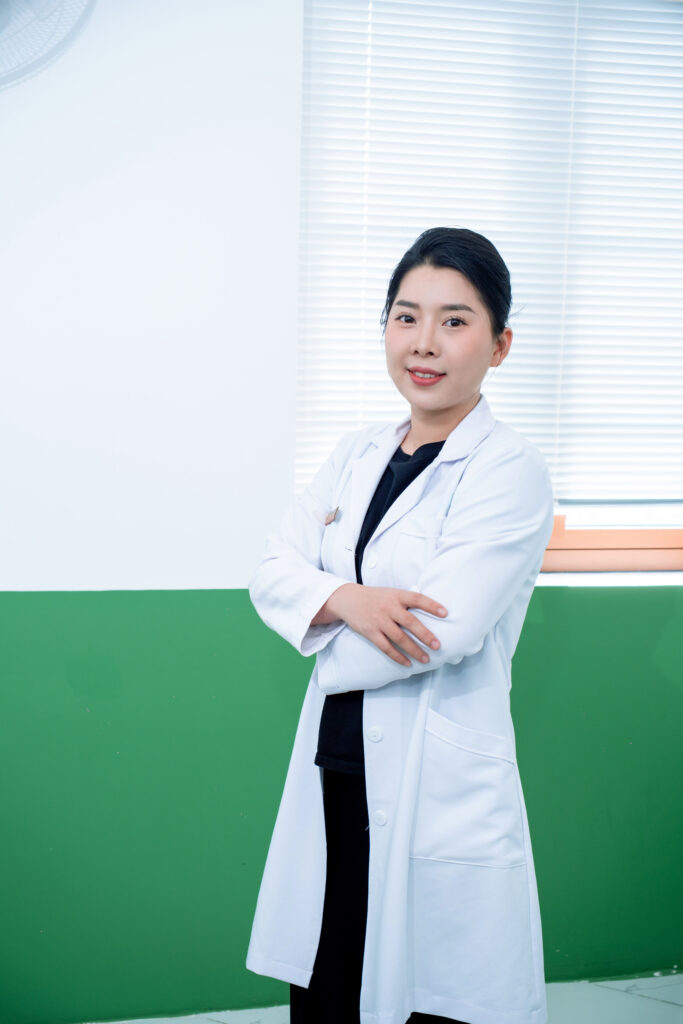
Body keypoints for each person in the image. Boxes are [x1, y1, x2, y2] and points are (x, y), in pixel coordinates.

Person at [246, 227, 554, 1024]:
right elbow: (271, 572)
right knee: (328, 979)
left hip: (435, 771)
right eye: (405, 316)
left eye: (454, 321)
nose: (423, 343)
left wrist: (319, 610)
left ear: (499, 345)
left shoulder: (508, 470)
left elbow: (440, 632)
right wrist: (352, 601)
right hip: (335, 761)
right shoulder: (354, 454)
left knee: (427, 994)